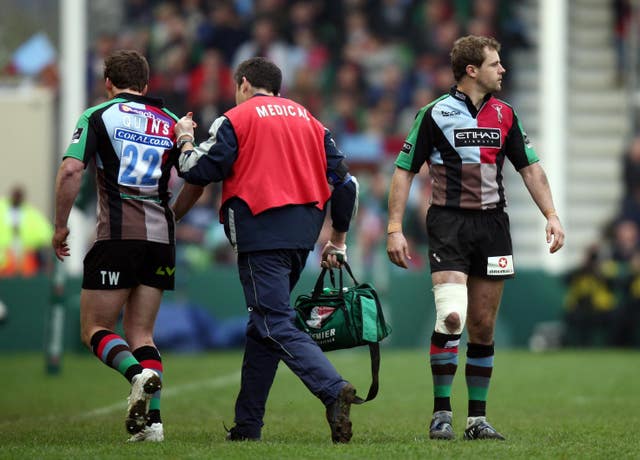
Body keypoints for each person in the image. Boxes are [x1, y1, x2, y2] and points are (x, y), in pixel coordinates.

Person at [171, 57, 359, 443]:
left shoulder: (235, 119)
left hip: (260, 232)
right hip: (301, 237)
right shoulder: (311, 121)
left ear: (243, 83)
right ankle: (247, 425)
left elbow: (196, 170)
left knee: (272, 322)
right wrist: (338, 239)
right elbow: (347, 185)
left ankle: (332, 388)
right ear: (277, 86)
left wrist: (185, 137)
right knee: (263, 325)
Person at [386, 35, 565, 441]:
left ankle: (476, 420)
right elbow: (403, 170)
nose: (502, 69)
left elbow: (530, 169)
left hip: (493, 227)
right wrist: (395, 228)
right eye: (495, 64)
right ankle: (441, 414)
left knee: (482, 328)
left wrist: (552, 215)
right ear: (472, 70)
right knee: (452, 317)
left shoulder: (506, 114)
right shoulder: (434, 114)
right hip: (448, 224)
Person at [52, 49, 203, 443]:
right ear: (147, 85)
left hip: (117, 238)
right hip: (160, 241)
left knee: (95, 329)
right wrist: (174, 215)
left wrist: (60, 226)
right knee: (142, 334)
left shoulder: (98, 115)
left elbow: (71, 169)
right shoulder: (173, 122)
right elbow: (199, 178)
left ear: (108, 83)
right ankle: (152, 425)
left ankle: (138, 375)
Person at [0, 185, 53, 277]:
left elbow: (46, 233)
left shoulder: (30, 212)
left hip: (25, 257)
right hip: (4, 258)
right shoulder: (2, 208)